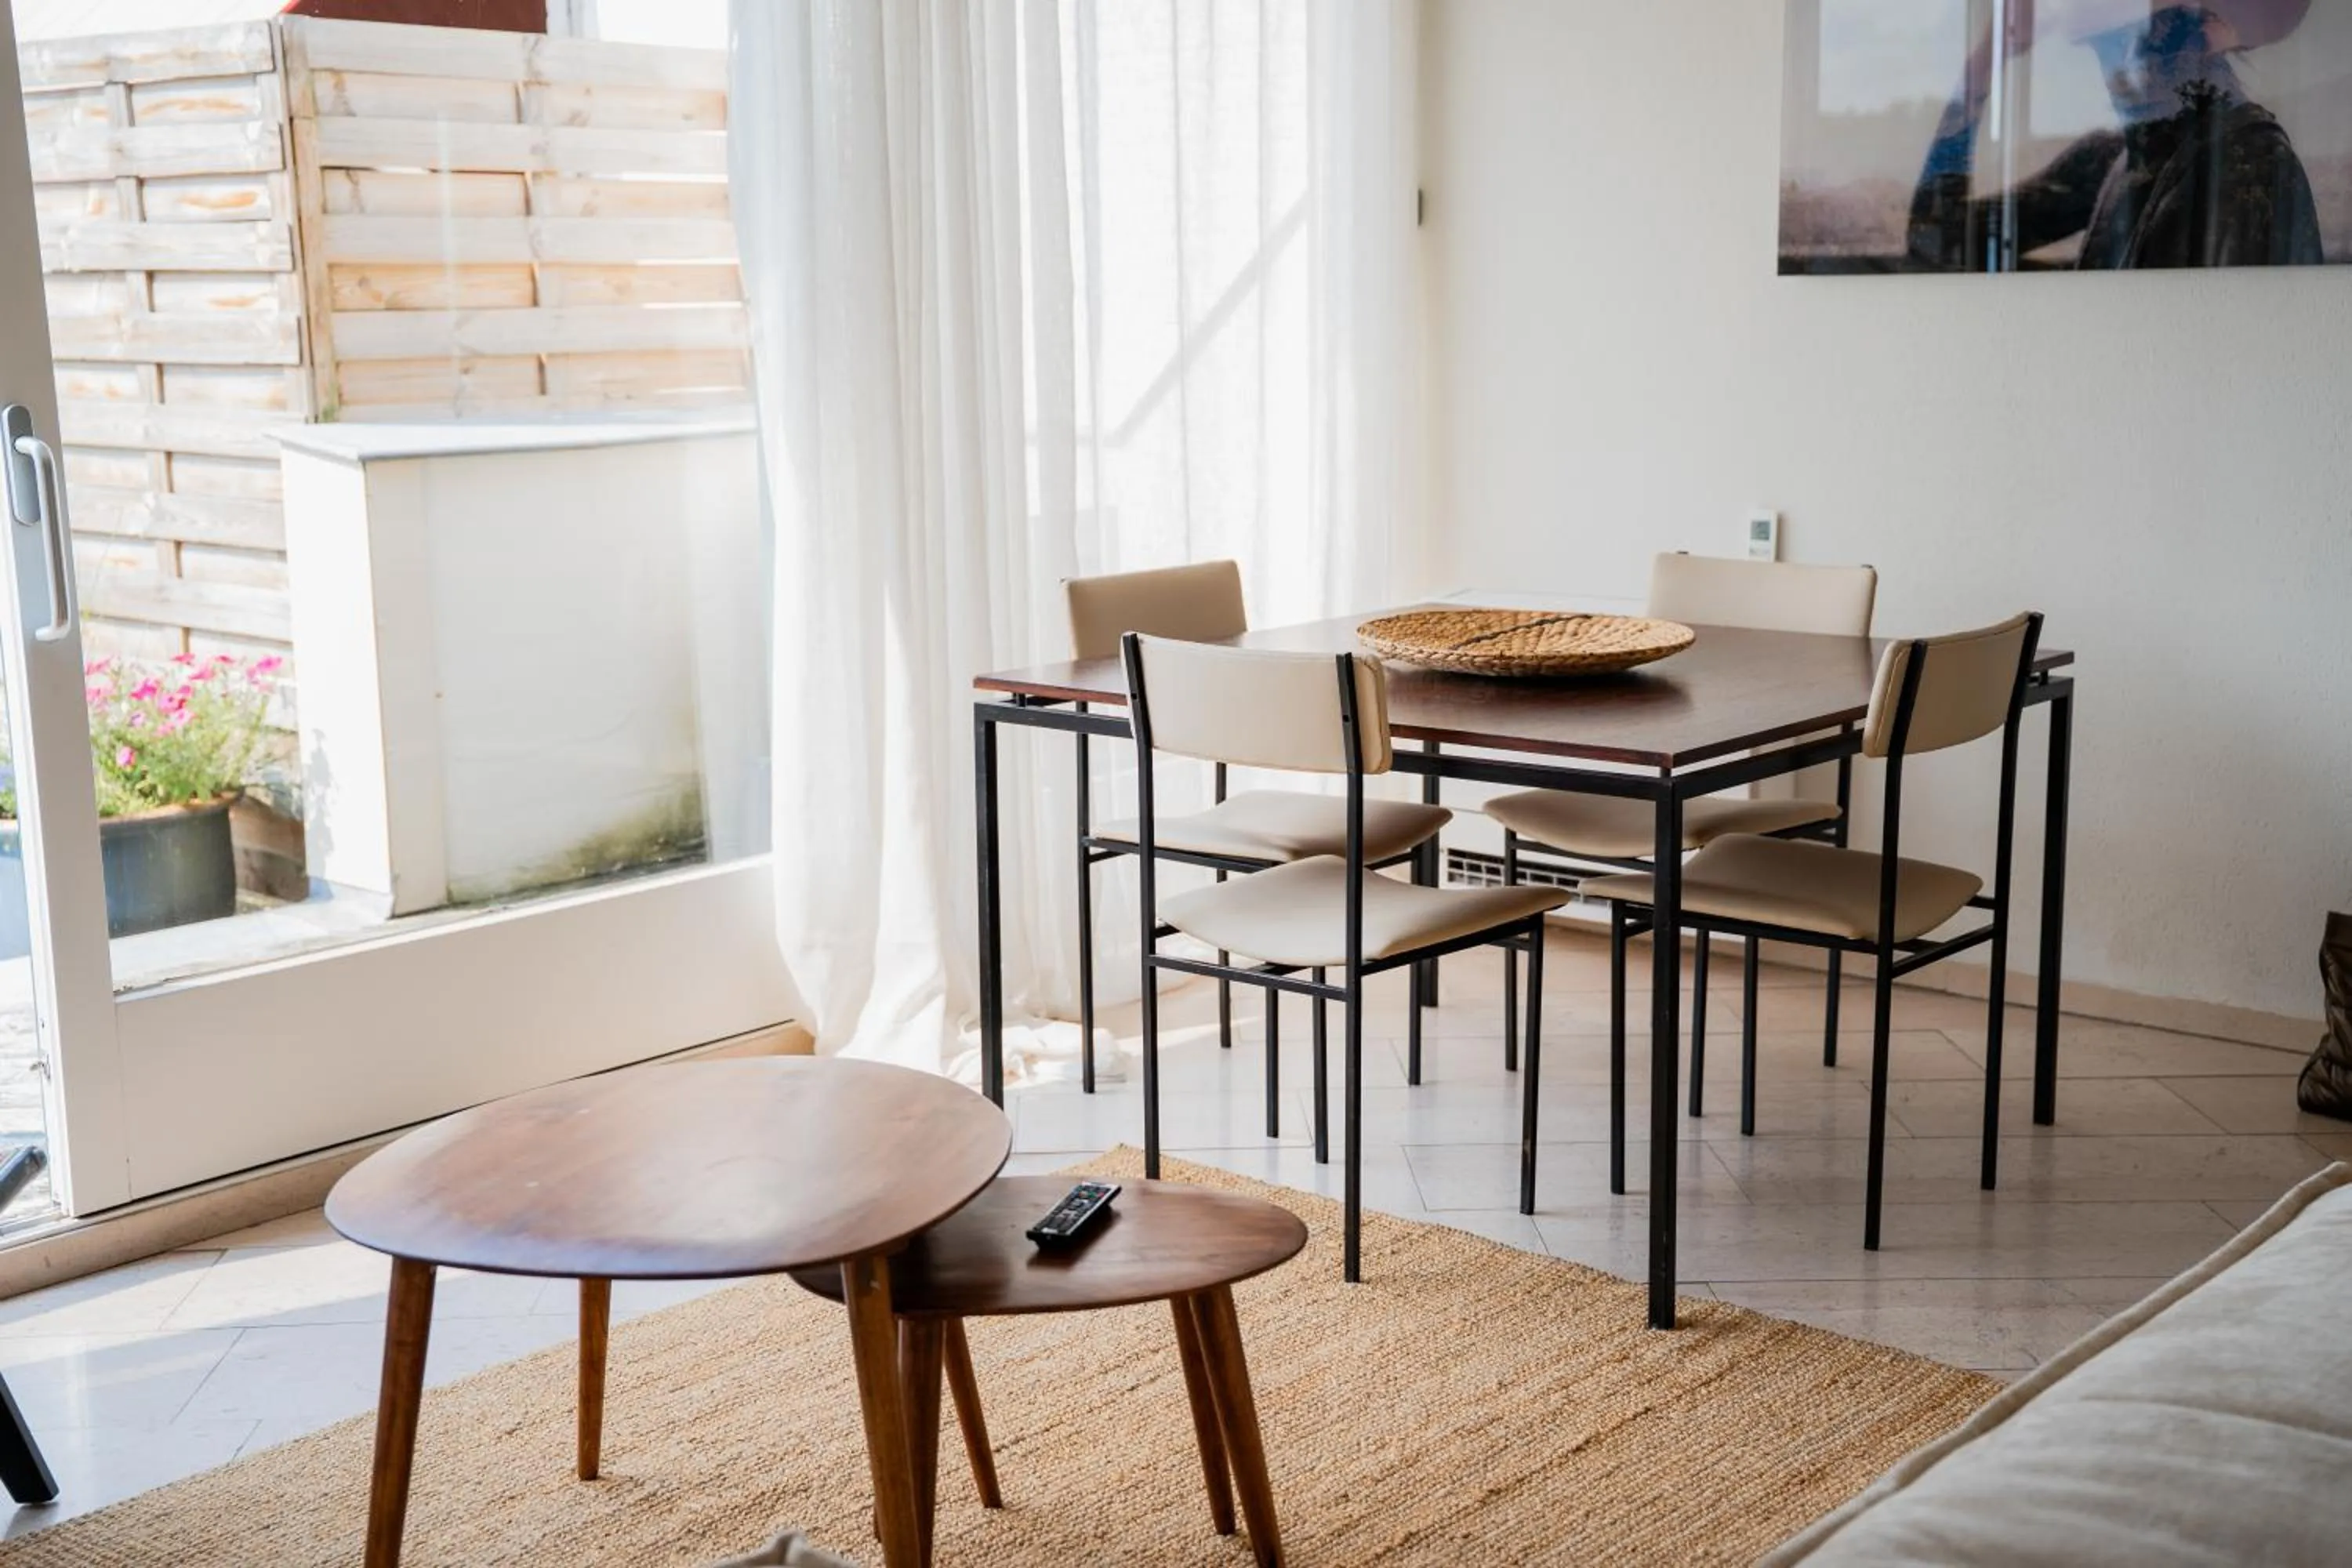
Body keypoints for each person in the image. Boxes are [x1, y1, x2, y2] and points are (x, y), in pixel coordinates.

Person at [1908, 0, 2323, 270]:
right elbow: (1937, 238)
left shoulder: (2249, 166)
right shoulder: (2113, 161)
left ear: (2214, 27)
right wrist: (1983, 62)